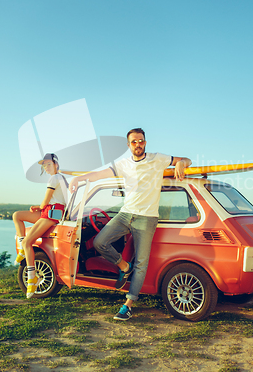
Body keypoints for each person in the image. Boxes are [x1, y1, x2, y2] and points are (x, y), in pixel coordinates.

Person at [69, 128, 191, 320]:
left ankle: (128, 305)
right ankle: (125, 267)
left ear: (145, 142)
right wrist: (79, 178)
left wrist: (182, 163)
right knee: (100, 242)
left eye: (141, 141)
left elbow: (186, 159)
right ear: (128, 145)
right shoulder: (123, 164)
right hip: (126, 214)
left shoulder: (157, 159)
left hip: (147, 218)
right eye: (134, 142)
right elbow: (99, 175)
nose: (138, 145)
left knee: (142, 263)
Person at [13, 153, 67, 299]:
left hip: (52, 213)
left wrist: (40, 206)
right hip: (49, 211)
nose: (46, 167)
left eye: (48, 164)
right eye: (44, 165)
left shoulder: (54, 178)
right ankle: (23, 251)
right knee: (17, 215)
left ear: (56, 164)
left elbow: (46, 201)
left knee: (27, 242)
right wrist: (40, 207)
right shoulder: (61, 178)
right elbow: (49, 202)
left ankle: (32, 279)